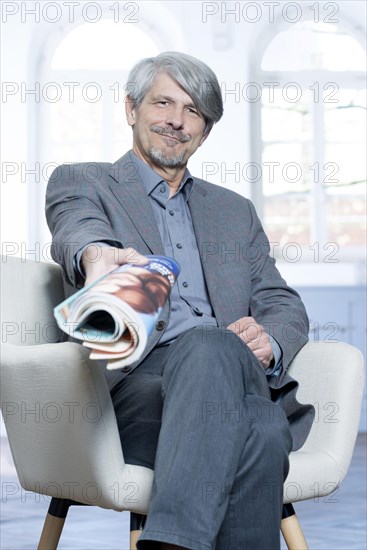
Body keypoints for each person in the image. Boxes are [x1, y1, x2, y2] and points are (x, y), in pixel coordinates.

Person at [46, 51, 314, 550]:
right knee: (263, 430)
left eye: (193, 111)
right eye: (163, 102)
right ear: (131, 109)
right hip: (138, 393)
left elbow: (281, 301)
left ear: (205, 129)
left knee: (216, 351)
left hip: (233, 373)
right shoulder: (84, 181)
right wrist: (96, 255)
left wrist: (270, 339)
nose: (176, 120)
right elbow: (75, 230)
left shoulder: (234, 212)